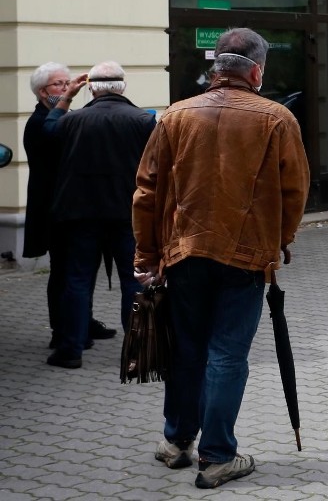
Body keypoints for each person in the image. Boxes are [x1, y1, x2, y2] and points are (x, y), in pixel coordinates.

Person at [132, 28, 310, 489]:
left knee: (187, 350)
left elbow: (146, 191)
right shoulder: (276, 118)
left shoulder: (174, 116)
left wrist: (148, 253)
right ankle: (217, 456)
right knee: (227, 354)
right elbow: (295, 193)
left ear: (215, 70)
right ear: (257, 70)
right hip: (246, 255)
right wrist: (281, 239)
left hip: (184, 251)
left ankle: (176, 443)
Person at [43, 61, 156, 368]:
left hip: (81, 216)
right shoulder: (144, 121)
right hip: (128, 215)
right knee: (136, 281)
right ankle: (140, 351)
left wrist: (66, 98)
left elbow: (48, 130)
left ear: (90, 88)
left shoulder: (73, 120)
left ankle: (70, 350)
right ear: (124, 87)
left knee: (77, 281)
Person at [22, 62, 118, 350]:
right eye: (58, 85)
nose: (65, 89)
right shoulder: (42, 122)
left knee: (82, 269)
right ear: (42, 92)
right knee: (64, 270)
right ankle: (62, 330)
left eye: (67, 83)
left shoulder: (65, 116)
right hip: (55, 209)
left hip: (77, 207)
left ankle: (81, 322)